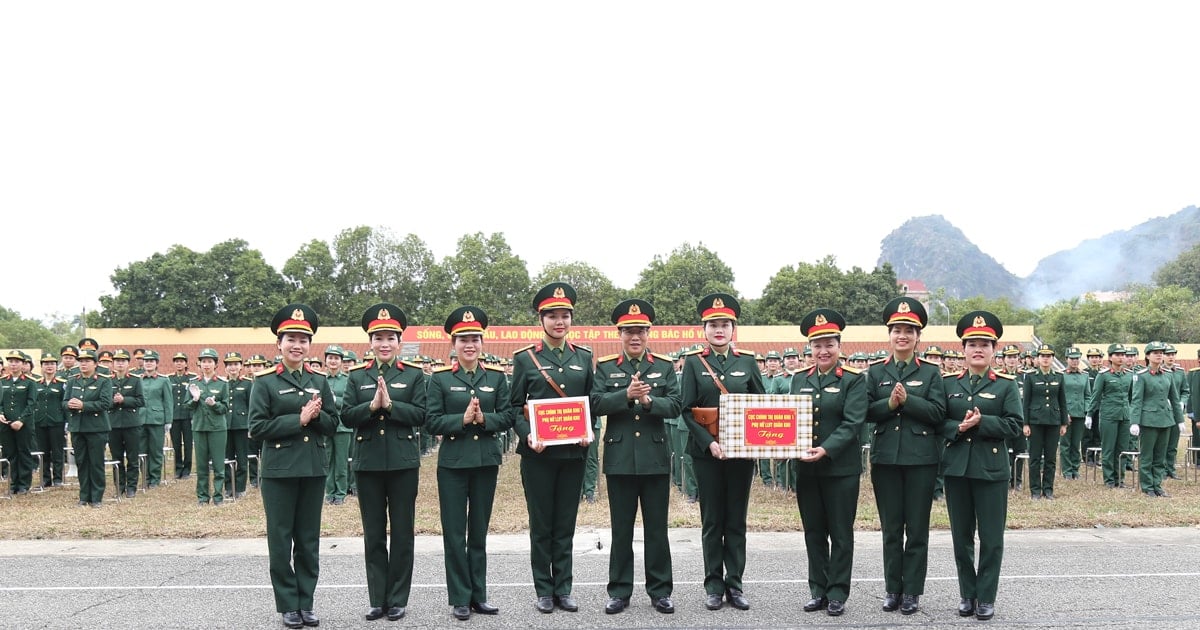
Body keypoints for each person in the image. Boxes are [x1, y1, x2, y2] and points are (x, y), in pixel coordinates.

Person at [248, 304, 339, 629]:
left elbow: (332, 424)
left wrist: (317, 417)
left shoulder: (319, 380)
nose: (297, 345)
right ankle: (288, 605)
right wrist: (297, 419)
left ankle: (306, 602)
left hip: (313, 469)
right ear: (279, 343)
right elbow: (256, 427)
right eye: (291, 339)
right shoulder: (265, 382)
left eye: (303, 339)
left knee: (308, 540)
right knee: (281, 539)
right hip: (279, 472)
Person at [590, 299, 682, 615]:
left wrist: (647, 401)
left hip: (654, 458)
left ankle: (660, 591)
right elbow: (596, 403)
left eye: (640, 331)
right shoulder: (605, 366)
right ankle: (619, 591)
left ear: (648, 333)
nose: (635, 337)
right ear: (620, 334)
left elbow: (675, 405)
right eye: (629, 332)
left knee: (657, 529)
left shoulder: (664, 366)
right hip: (620, 459)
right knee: (621, 530)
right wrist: (625, 397)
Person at [509, 282, 596, 615]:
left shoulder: (583, 357)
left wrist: (589, 432)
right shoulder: (526, 359)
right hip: (538, 455)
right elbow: (515, 406)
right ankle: (544, 590)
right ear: (541, 319)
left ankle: (564, 588)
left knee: (565, 524)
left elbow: (591, 403)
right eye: (552, 316)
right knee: (542, 524)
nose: (559, 322)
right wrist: (528, 434)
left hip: (574, 454)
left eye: (565, 316)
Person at [680, 293, 766, 612]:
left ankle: (736, 584)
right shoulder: (693, 363)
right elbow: (686, 410)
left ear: (733, 329)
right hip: (708, 455)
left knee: (736, 521)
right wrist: (709, 442)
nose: (719, 330)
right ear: (704, 329)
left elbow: (762, 406)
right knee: (712, 520)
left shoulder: (747, 362)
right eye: (713, 325)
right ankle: (714, 585)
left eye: (725, 325)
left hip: (741, 456)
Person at [341, 303, 426, 622]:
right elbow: (346, 416)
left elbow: (421, 415)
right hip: (368, 464)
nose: (384, 343)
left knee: (403, 532)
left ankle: (398, 598)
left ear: (399, 342)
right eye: (378, 337)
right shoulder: (357, 376)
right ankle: (378, 598)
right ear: (370, 342)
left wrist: (390, 406)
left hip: (403, 464)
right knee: (373, 533)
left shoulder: (414, 375)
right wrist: (371, 406)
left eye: (390, 337)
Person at [427, 306, 512, 621]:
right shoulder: (439, 380)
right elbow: (431, 421)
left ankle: (479, 595)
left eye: (475, 338)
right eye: (463, 339)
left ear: (482, 342)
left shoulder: (496, 378)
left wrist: (485, 418)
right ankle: (459, 597)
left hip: (485, 462)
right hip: (453, 464)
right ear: (453, 344)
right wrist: (461, 420)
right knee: (454, 533)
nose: (469, 345)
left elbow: (507, 415)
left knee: (478, 532)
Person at [864, 297, 946, 616]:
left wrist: (908, 401)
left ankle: (911, 591)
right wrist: (889, 405)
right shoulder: (874, 373)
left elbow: (939, 412)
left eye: (909, 331)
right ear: (889, 335)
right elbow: (866, 413)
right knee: (891, 529)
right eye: (897, 330)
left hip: (921, 461)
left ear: (918, 336)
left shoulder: (930, 373)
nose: (903, 335)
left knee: (917, 530)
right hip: (885, 460)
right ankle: (892, 589)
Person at [940, 311, 1023, 621]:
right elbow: (940, 422)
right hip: (957, 469)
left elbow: (1015, 425)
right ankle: (967, 594)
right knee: (961, 537)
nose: (978, 349)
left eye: (984, 344)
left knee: (991, 538)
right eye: (972, 343)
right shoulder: (949, 384)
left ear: (994, 350)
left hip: (991, 471)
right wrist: (959, 428)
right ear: (963, 349)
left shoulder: (1005, 386)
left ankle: (986, 597)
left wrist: (983, 422)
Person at [791, 308, 866, 617]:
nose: (823, 351)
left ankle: (837, 592)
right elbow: (788, 419)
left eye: (829, 344)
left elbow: (852, 424)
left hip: (840, 469)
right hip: (807, 469)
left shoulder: (853, 380)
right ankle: (818, 590)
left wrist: (825, 448)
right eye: (817, 345)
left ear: (839, 346)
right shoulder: (799, 379)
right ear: (810, 348)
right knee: (813, 531)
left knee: (840, 532)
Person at [1129, 341, 1185, 498]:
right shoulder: (1142, 376)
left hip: (1166, 420)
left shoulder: (1168, 375)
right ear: (1147, 356)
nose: (1159, 354)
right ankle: (1147, 486)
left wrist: (1179, 420)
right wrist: (1135, 421)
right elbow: (1136, 400)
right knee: (1147, 455)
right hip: (1148, 420)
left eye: (1161, 352)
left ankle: (1157, 485)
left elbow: (1174, 399)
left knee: (1160, 455)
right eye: (1155, 352)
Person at [63, 348, 113, 507]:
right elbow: (63, 402)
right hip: (77, 427)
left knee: (96, 462)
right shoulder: (73, 380)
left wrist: (84, 405)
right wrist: (69, 405)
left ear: (95, 364)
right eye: (81, 361)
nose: (83, 364)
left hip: (96, 427)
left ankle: (97, 497)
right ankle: (84, 495)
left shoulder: (103, 380)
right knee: (82, 462)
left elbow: (106, 403)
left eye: (87, 361)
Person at [1022, 344, 1068, 499]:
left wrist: (1063, 423)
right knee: (1035, 457)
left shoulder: (1059, 377)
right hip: (1035, 422)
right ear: (1037, 359)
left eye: (1049, 356)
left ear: (1053, 358)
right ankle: (1035, 490)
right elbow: (1026, 401)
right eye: (1043, 356)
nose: (1046, 359)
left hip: (1053, 422)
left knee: (1050, 458)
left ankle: (1048, 489)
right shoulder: (1030, 376)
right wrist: (1025, 423)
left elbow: (1062, 401)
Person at [1088, 344, 1133, 488]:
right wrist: (1090, 414)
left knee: (1122, 449)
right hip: (1108, 416)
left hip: (1125, 416)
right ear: (1110, 357)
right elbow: (1095, 396)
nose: (1121, 357)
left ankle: (1120, 479)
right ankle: (1109, 480)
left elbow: (1132, 397)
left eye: (1122, 355)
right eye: (1117, 355)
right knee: (1108, 448)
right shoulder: (1104, 375)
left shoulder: (1129, 375)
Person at [190, 348, 231, 506]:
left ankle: (218, 496)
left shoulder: (222, 384)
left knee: (218, 464)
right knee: (201, 465)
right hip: (199, 427)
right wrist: (194, 399)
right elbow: (188, 407)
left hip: (217, 428)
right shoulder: (194, 383)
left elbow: (225, 408)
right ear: (199, 364)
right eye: (203, 361)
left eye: (210, 361)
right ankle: (202, 497)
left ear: (216, 364)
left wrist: (215, 404)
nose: (206, 364)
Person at [108, 349, 145, 499]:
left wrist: (125, 400)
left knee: (132, 457)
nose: (120, 363)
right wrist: (113, 402)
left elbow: (141, 401)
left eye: (123, 361)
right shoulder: (107, 381)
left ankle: (131, 486)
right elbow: (104, 403)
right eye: (117, 361)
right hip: (114, 424)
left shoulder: (135, 380)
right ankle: (119, 486)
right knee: (116, 458)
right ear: (113, 364)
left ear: (128, 363)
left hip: (131, 424)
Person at [1, 350, 37, 495]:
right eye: (11, 361)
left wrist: (21, 420)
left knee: (24, 453)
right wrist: (1, 413)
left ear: (23, 364)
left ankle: (24, 484)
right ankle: (13, 483)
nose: (13, 364)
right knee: (10, 454)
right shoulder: (3, 381)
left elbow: (32, 404)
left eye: (17, 361)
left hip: (23, 425)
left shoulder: (29, 383)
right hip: (5, 424)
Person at [31, 352, 69, 488]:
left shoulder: (62, 384)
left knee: (57, 451)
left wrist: (66, 423)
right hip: (40, 421)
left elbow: (65, 404)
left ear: (56, 367)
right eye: (46, 364)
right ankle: (45, 478)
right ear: (41, 367)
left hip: (57, 422)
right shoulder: (35, 384)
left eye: (52, 364)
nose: (49, 367)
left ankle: (58, 478)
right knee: (43, 451)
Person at [321, 345, 352, 505]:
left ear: (341, 361)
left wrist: (334, 400)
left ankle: (340, 493)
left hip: (342, 426)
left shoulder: (347, 380)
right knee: (327, 460)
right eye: (330, 358)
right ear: (325, 360)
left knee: (341, 461)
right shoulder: (320, 380)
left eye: (336, 358)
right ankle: (329, 491)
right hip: (325, 425)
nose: (333, 361)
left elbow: (348, 402)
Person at [139, 350, 174, 489]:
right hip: (140, 419)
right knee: (141, 449)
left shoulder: (163, 380)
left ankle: (154, 478)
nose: (148, 363)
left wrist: (168, 420)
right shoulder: (138, 380)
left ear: (156, 363)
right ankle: (145, 477)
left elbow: (168, 401)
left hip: (157, 419)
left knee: (155, 450)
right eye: (146, 361)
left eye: (151, 361)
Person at [1058, 348, 1091, 480]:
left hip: (1080, 413)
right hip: (1066, 414)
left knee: (1076, 443)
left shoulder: (1084, 375)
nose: (1075, 361)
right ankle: (1066, 470)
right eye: (1072, 358)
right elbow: (1059, 396)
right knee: (1065, 443)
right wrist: (1064, 413)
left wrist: (1087, 411)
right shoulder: (1061, 375)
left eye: (1077, 358)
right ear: (1066, 359)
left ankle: (1075, 469)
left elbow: (1088, 395)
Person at [224, 352, 253, 499]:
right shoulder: (223, 383)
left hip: (242, 426)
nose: (232, 367)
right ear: (225, 368)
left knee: (242, 459)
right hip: (225, 426)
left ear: (241, 366)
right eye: (229, 365)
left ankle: (240, 487)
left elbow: (252, 407)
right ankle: (229, 486)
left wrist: (251, 427)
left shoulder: (247, 383)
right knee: (227, 458)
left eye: (235, 364)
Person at [1162, 345, 1189, 479]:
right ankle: (1161, 469)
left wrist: (1182, 402)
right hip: (1163, 412)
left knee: (1173, 443)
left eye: (1173, 354)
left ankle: (1170, 469)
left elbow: (1185, 390)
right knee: (1162, 443)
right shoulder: (1159, 371)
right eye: (1168, 354)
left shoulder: (1179, 372)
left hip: (1176, 412)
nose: (1171, 357)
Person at [169, 352, 198, 480]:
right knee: (175, 444)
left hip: (187, 416)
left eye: (181, 361)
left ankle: (187, 468)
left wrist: (193, 416)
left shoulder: (192, 378)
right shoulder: (169, 378)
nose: (179, 363)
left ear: (186, 363)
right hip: (174, 416)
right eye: (176, 361)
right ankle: (178, 468)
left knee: (187, 443)